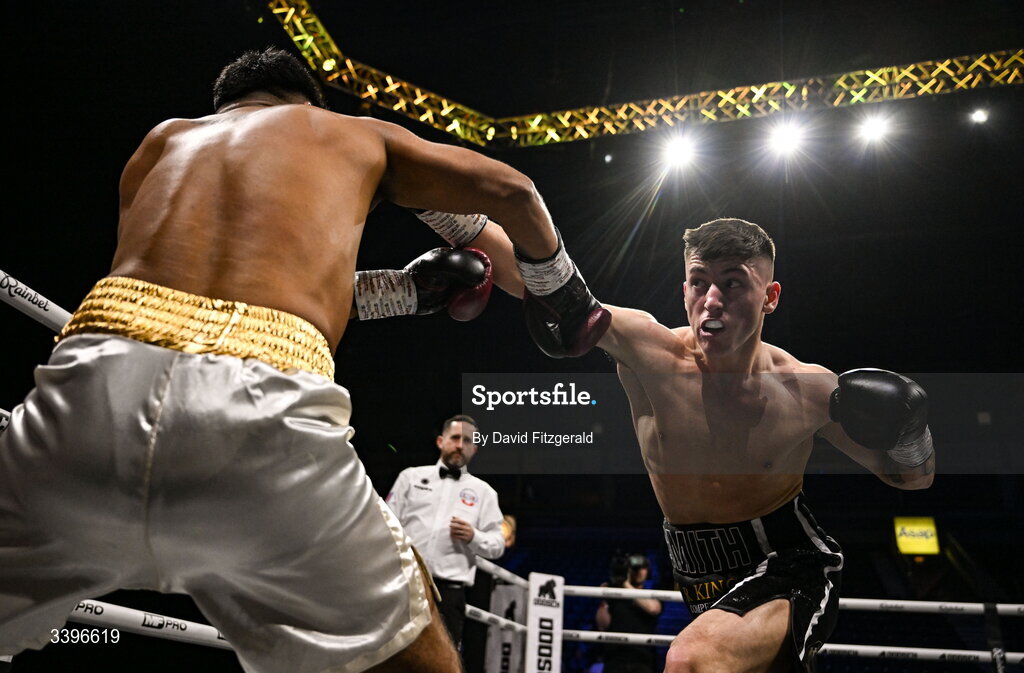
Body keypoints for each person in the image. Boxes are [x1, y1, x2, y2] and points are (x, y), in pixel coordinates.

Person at [0, 47, 609, 673]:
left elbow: (190, 293)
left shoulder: (162, 143)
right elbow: (514, 190)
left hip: (85, 396)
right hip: (257, 417)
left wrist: (404, 291)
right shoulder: (346, 133)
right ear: (307, 104)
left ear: (225, 107)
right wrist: (561, 292)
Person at [441, 215, 936, 672]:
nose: (712, 300)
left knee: (690, 660)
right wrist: (436, 203)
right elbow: (543, 283)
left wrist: (911, 431)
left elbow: (913, 478)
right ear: (684, 291)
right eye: (700, 282)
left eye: (734, 282)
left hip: (789, 565)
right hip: (696, 572)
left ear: (770, 297)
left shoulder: (807, 391)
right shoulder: (649, 351)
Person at [385, 415, 505, 649]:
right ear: (441, 441)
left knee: (441, 662)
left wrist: (474, 537)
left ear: (475, 449)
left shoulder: (485, 493)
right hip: (405, 583)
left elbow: (498, 544)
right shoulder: (411, 477)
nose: (460, 445)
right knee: (390, 654)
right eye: (455, 438)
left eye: (468, 440)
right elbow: (386, 524)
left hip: (449, 593)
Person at [595, 552, 662, 673]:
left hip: (643, 659)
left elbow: (653, 608)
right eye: (635, 568)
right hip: (615, 658)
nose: (638, 571)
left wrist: (626, 584)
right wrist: (604, 600)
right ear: (627, 570)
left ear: (648, 571)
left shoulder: (651, 593)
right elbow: (602, 626)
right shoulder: (614, 595)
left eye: (642, 568)